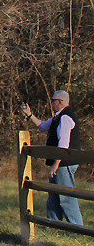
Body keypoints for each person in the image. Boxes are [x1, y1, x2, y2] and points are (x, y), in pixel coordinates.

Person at [22, 91, 84, 225]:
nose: (52, 103)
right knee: (54, 195)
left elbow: (63, 143)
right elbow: (42, 126)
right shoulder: (58, 117)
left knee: (66, 197)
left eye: (53, 100)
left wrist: (56, 163)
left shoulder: (65, 118)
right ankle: (53, 224)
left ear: (60, 102)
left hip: (64, 163)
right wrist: (30, 115)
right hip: (60, 162)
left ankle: (77, 227)